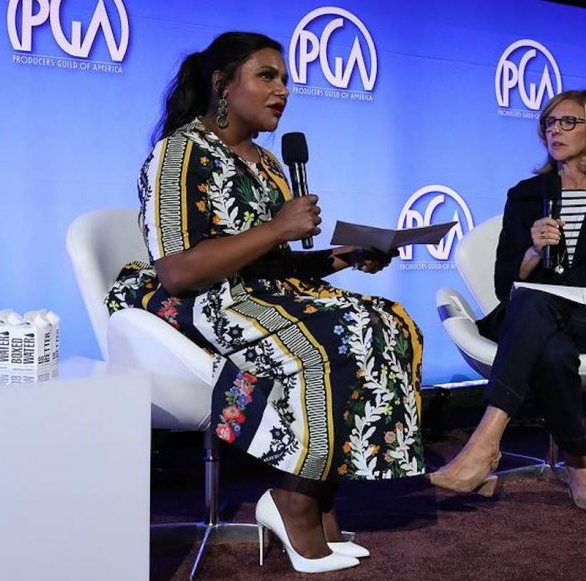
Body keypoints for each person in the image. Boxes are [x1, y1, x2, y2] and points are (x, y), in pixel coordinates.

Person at [106, 32, 425, 573]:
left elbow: (271, 264)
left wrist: (345, 257)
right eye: (267, 76)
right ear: (222, 86)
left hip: (261, 292)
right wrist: (279, 226)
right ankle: (291, 502)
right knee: (332, 335)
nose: (282, 91)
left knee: (387, 321)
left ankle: (322, 498)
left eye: (285, 80)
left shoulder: (271, 165)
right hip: (194, 302)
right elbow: (177, 269)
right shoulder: (180, 152)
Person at [428, 89, 586, 513]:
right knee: (550, 344)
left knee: (537, 312)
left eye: (567, 122)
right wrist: (532, 253)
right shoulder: (525, 194)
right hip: (535, 317)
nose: (554, 130)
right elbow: (506, 282)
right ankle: (579, 464)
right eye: (549, 123)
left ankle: (484, 445)